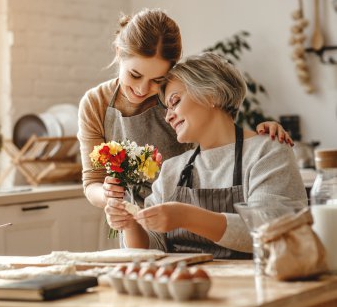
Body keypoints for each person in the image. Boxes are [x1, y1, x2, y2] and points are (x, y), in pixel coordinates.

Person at [78, 8, 293, 212]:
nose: (142, 89)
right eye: (134, 75)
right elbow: (92, 183)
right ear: (118, 53)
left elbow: (219, 138)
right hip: (131, 219)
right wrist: (109, 195)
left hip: (187, 216)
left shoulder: (177, 96)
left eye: (157, 80)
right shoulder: (95, 104)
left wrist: (258, 137)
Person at [104, 52, 307, 258]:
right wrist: (130, 224)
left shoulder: (267, 151)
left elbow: (272, 230)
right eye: (166, 108)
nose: (168, 116)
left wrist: (186, 216)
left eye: (175, 101)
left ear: (212, 94)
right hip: (187, 286)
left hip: (255, 285)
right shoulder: (172, 169)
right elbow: (152, 248)